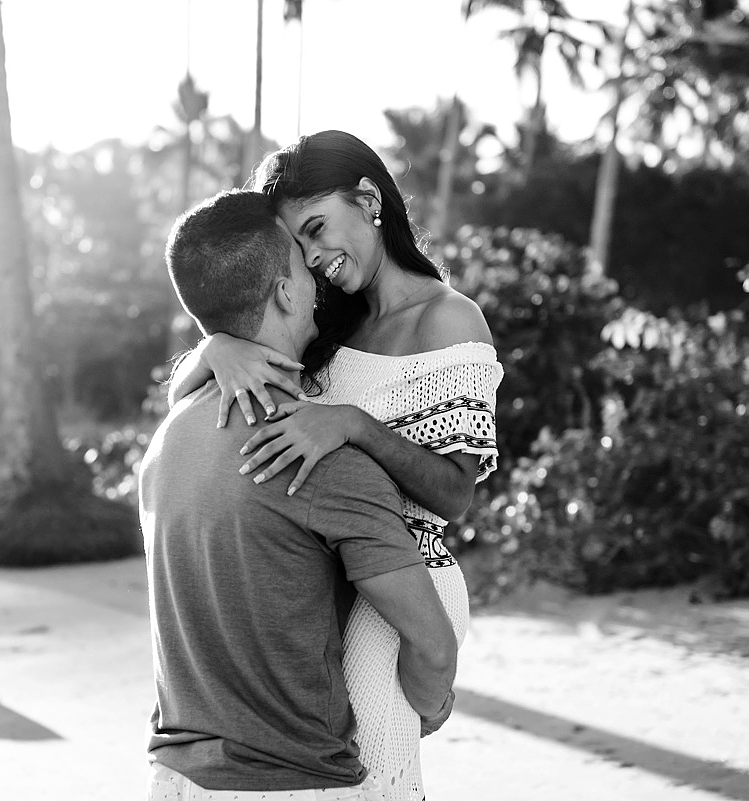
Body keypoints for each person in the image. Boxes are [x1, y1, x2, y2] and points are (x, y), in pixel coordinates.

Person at [169, 131, 504, 801]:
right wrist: (218, 346)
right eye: (301, 245)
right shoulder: (331, 321)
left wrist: (353, 425)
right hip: (333, 583)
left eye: (319, 227)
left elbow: (456, 493)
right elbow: (185, 398)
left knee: (381, 783)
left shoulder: (449, 320)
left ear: (369, 199)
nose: (317, 258)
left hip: (406, 586)